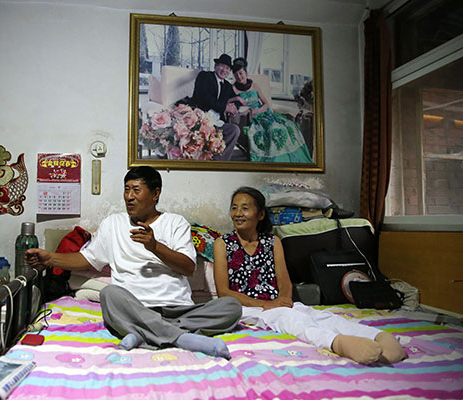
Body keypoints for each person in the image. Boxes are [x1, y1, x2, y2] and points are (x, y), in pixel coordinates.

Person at [27, 166, 241, 359]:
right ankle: (181, 338)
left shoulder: (176, 223)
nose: (129, 196)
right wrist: (51, 258)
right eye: (126, 190)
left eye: (136, 190)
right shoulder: (113, 223)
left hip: (179, 310)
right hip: (134, 307)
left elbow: (187, 267)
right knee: (110, 294)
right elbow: (86, 260)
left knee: (231, 308)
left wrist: (155, 246)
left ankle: (141, 334)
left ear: (155, 193)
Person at [212, 186, 407, 365]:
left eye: (245, 208)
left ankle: (378, 336)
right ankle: (337, 343)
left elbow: (284, 281)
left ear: (260, 214)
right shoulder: (223, 243)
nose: (238, 213)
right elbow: (223, 292)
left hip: (277, 303)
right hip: (247, 308)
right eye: (234, 208)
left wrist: (285, 300)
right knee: (292, 320)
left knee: (319, 315)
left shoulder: (272, 241)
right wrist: (268, 306)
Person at [230, 58, 313, 164]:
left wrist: (259, 110)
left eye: (241, 73)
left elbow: (266, 103)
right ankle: (273, 161)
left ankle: (290, 161)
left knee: (287, 126)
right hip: (250, 117)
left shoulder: (254, 85)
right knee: (271, 131)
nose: (239, 76)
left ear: (246, 73)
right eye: (236, 74)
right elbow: (227, 102)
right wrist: (236, 98)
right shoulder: (233, 88)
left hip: (263, 113)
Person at [185, 53, 240, 161]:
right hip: (200, 120)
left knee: (234, 130)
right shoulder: (205, 76)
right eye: (222, 66)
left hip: (217, 123)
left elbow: (235, 98)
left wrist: (235, 105)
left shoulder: (227, 85)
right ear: (216, 66)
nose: (224, 70)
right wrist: (225, 107)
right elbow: (204, 98)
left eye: (228, 68)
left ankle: (219, 162)